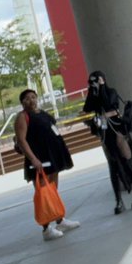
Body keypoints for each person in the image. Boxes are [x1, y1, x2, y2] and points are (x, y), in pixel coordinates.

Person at [14, 89, 80, 241]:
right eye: (27, 98)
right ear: (22, 102)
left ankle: (60, 220)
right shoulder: (22, 117)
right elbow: (22, 140)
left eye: (33, 97)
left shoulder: (41, 113)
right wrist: (33, 159)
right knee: (43, 193)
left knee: (52, 190)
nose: (31, 100)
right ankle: (46, 229)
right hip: (39, 158)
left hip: (52, 155)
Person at [83, 71, 132, 213]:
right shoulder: (93, 94)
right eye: (91, 81)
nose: (93, 83)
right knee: (113, 166)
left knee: (128, 160)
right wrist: (91, 91)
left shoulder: (111, 91)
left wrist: (102, 87)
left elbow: (109, 104)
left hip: (117, 129)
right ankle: (119, 201)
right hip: (105, 132)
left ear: (102, 79)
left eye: (95, 80)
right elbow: (87, 108)